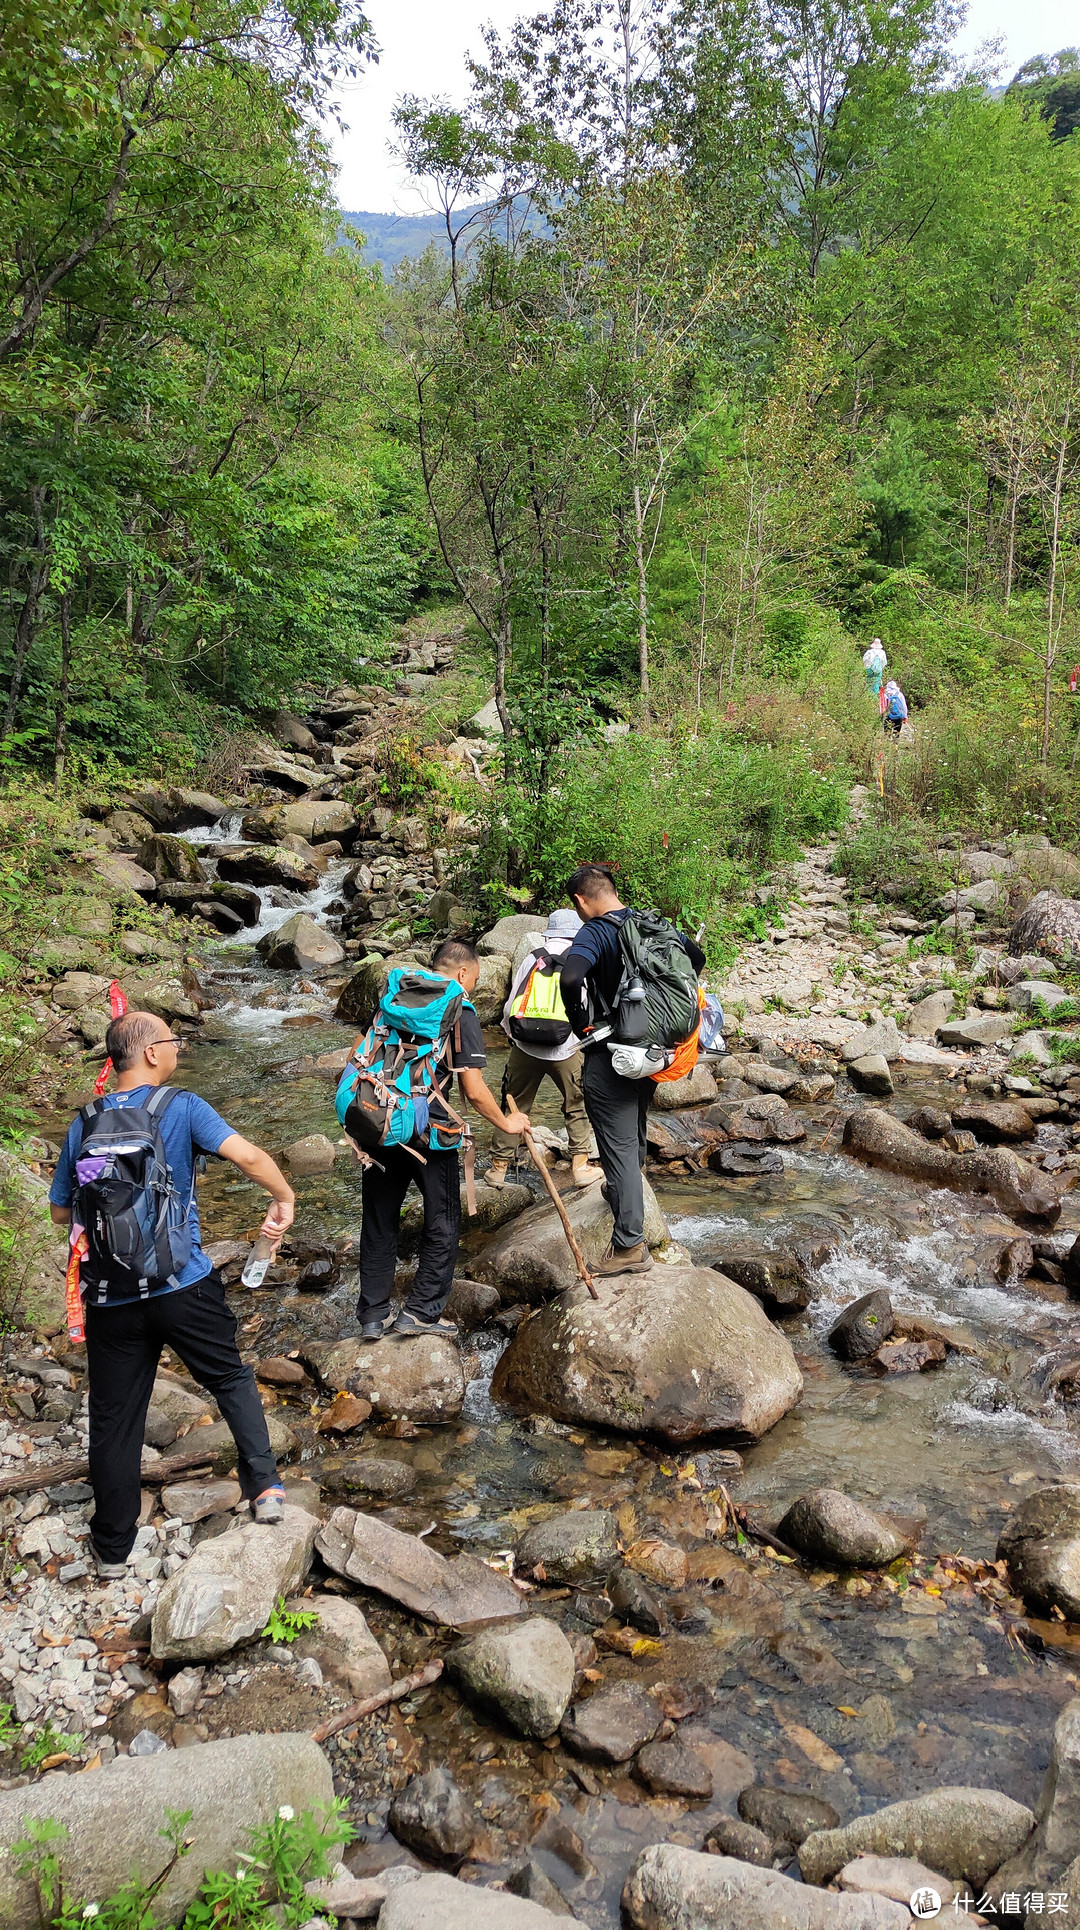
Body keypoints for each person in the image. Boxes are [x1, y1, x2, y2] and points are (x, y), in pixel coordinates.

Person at [48, 1010, 296, 1580]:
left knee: (115, 1418)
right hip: (181, 1283)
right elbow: (249, 1156)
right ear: (151, 1052)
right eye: (172, 1040)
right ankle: (265, 1490)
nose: (177, 1049)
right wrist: (283, 1196)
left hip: (109, 1294)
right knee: (230, 1377)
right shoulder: (180, 1106)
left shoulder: (82, 1123)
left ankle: (112, 1549)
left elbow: (62, 1209)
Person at [355, 937, 530, 1341]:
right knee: (443, 1218)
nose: (471, 988)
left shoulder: (394, 996)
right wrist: (506, 1123)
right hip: (430, 1131)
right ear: (463, 973)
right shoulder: (459, 1008)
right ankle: (421, 1313)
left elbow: (356, 1058)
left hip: (380, 1123)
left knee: (380, 1219)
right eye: (474, 981)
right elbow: (472, 1087)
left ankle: (373, 1315)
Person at [559, 865, 705, 1277]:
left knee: (616, 1141)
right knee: (634, 1125)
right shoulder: (650, 922)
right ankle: (625, 1192)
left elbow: (571, 977)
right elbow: (697, 959)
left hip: (613, 1052)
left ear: (581, 901)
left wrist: (581, 1024)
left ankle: (628, 1247)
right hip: (654, 1051)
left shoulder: (596, 931)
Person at [488, 908, 604, 1193]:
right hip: (567, 1046)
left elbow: (512, 1000)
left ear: (549, 933)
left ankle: (498, 1169)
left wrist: (510, 1032)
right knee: (577, 1104)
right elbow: (588, 1004)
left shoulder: (534, 956)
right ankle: (580, 1167)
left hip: (526, 1044)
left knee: (513, 1105)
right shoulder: (583, 958)